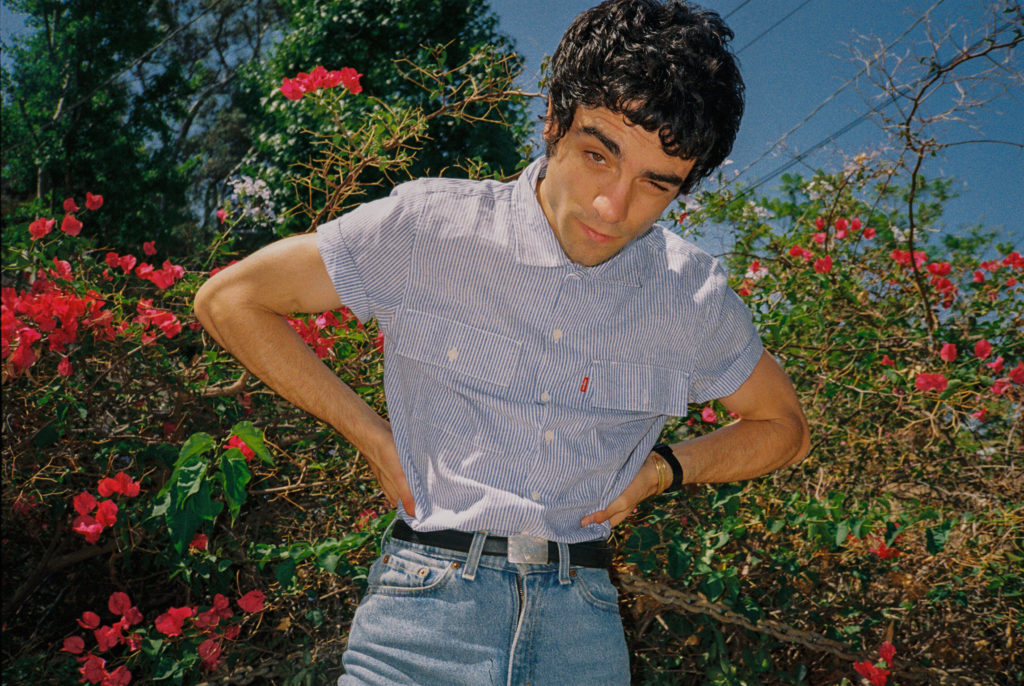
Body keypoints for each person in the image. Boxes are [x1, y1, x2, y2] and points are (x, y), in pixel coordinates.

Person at [194, 0, 810, 683]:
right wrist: (370, 435)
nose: (612, 206)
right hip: (418, 624)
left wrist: (664, 469)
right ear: (553, 121)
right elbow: (231, 300)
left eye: (655, 183)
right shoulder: (430, 228)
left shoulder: (691, 295)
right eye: (598, 155)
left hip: (582, 635)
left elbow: (783, 427)